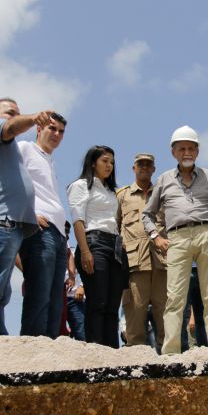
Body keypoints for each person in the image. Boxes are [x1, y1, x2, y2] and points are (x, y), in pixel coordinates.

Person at [0, 98, 53, 350]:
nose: (15, 116)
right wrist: (33, 117)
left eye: (18, 113)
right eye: (10, 112)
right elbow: (8, 127)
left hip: (1, 222)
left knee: (1, 291)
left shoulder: (1, 151)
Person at [142, 126, 208, 354]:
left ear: (197, 151)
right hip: (176, 238)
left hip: (206, 234)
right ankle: (171, 352)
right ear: (173, 152)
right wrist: (156, 237)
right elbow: (147, 214)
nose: (186, 152)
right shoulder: (164, 179)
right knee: (175, 298)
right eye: (181, 149)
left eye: (191, 148)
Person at [68, 145, 128, 348]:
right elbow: (78, 220)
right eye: (104, 161)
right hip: (94, 242)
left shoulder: (111, 191)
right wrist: (85, 251)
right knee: (97, 301)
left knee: (112, 305)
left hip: (115, 245)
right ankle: (95, 350)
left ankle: (112, 352)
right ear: (93, 162)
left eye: (112, 162)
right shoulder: (81, 185)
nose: (109, 165)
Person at [18, 113, 69, 338]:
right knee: (39, 293)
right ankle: (31, 348)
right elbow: (9, 178)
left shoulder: (50, 161)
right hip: (40, 230)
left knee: (55, 299)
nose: (57, 134)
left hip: (58, 234)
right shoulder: (24, 148)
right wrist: (27, 213)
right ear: (39, 129)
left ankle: (49, 348)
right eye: (52, 128)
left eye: (61, 131)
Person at [116, 153, 167, 350]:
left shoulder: (162, 194)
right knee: (135, 311)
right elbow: (115, 228)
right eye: (140, 164)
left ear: (154, 169)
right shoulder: (122, 195)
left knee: (165, 311)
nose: (144, 167)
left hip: (162, 261)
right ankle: (135, 355)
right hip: (134, 263)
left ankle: (168, 357)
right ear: (134, 168)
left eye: (148, 164)